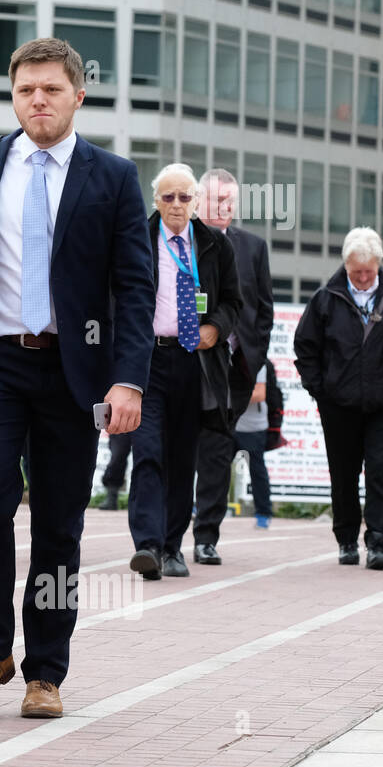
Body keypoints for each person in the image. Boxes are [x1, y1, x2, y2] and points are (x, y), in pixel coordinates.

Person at [0, 37, 155, 719]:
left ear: (79, 94)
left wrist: (128, 379)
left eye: (51, 89)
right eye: (26, 90)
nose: (38, 101)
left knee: (58, 522)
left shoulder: (111, 176)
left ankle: (46, 671)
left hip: (74, 371)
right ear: (13, 96)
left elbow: (135, 287)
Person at [294, 227, 383, 569]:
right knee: (343, 474)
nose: (361, 278)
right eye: (355, 272)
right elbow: (305, 348)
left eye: (368, 272)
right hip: (338, 405)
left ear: (378, 264)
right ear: (345, 265)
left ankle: (377, 542)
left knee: (381, 472)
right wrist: (321, 391)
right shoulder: (326, 296)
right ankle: (346, 540)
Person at [127, 164, 241, 581]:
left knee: (180, 459)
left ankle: (173, 545)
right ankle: (148, 545)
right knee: (148, 453)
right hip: (147, 359)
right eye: (168, 197)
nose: (176, 205)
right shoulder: (136, 238)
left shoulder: (213, 245)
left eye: (185, 197)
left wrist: (215, 327)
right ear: (156, 201)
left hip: (194, 361)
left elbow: (233, 302)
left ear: (196, 202)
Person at [191, 167, 273, 564]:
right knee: (174, 451)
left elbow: (264, 311)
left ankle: (206, 536)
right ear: (199, 200)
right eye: (215, 199)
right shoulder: (181, 240)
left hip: (234, 370)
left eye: (229, 201)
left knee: (218, 454)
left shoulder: (253, 248)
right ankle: (162, 535)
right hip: (188, 362)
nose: (223, 207)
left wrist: (254, 360)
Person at [234, 363, 274, 528]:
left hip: (253, 426)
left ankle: (263, 513)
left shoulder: (257, 361)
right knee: (214, 471)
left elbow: (259, 394)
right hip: (226, 423)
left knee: (257, 471)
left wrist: (229, 397)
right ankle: (205, 512)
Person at [98, 432, 130, 509]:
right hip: (120, 422)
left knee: (146, 458)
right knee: (117, 456)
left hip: (145, 422)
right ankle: (112, 497)